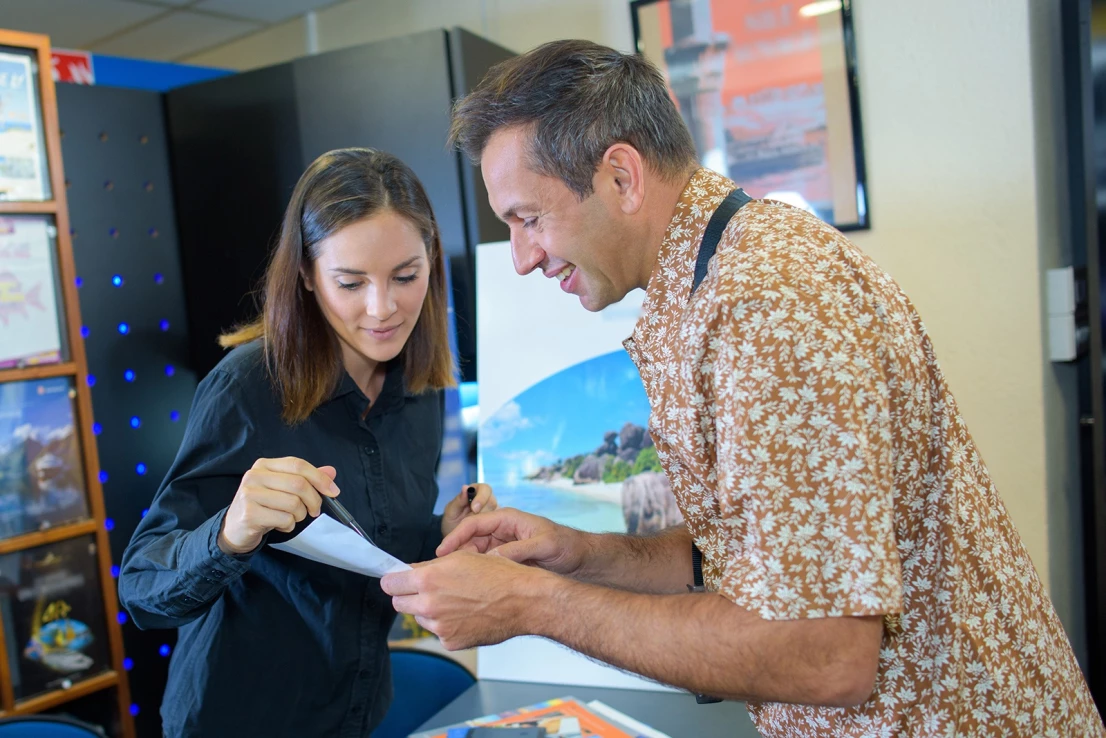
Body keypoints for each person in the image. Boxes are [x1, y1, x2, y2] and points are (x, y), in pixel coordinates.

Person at [380, 41, 1106, 736]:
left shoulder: (766, 300)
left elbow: (823, 651)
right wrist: (577, 553)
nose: (523, 258)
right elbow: (755, 556)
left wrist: (535, 604)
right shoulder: (712, 281)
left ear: (622, 178)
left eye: (529, 219)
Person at [119, 148, 496, 738]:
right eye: (350, 282)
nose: (383, 308)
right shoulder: (247, 387)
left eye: (406, 276)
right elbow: (141, 589)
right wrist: (231, 530)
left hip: (354, 713)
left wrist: (440, 533)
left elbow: (364, 544)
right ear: (307, 276)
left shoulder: (422, 389)